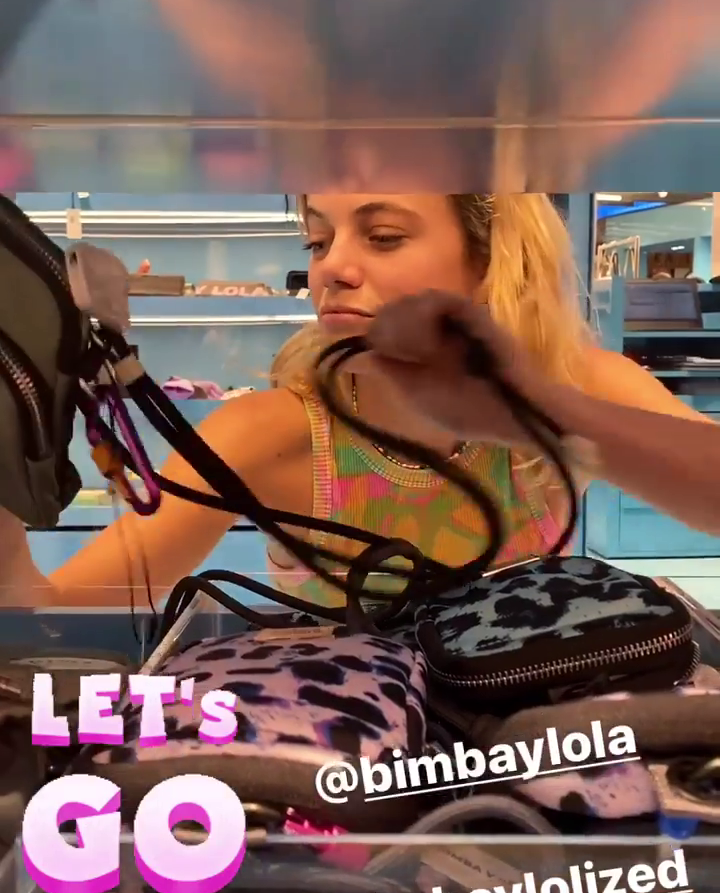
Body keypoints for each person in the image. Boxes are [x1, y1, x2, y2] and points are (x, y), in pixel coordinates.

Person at [1, 192, 719, 612]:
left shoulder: (574, 384)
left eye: (383, 237)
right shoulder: (270, 433)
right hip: (346, 781)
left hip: (524, 767)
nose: (333, 269)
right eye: (318, 240)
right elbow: (57, 614)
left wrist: (542, 411)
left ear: (489, 259)